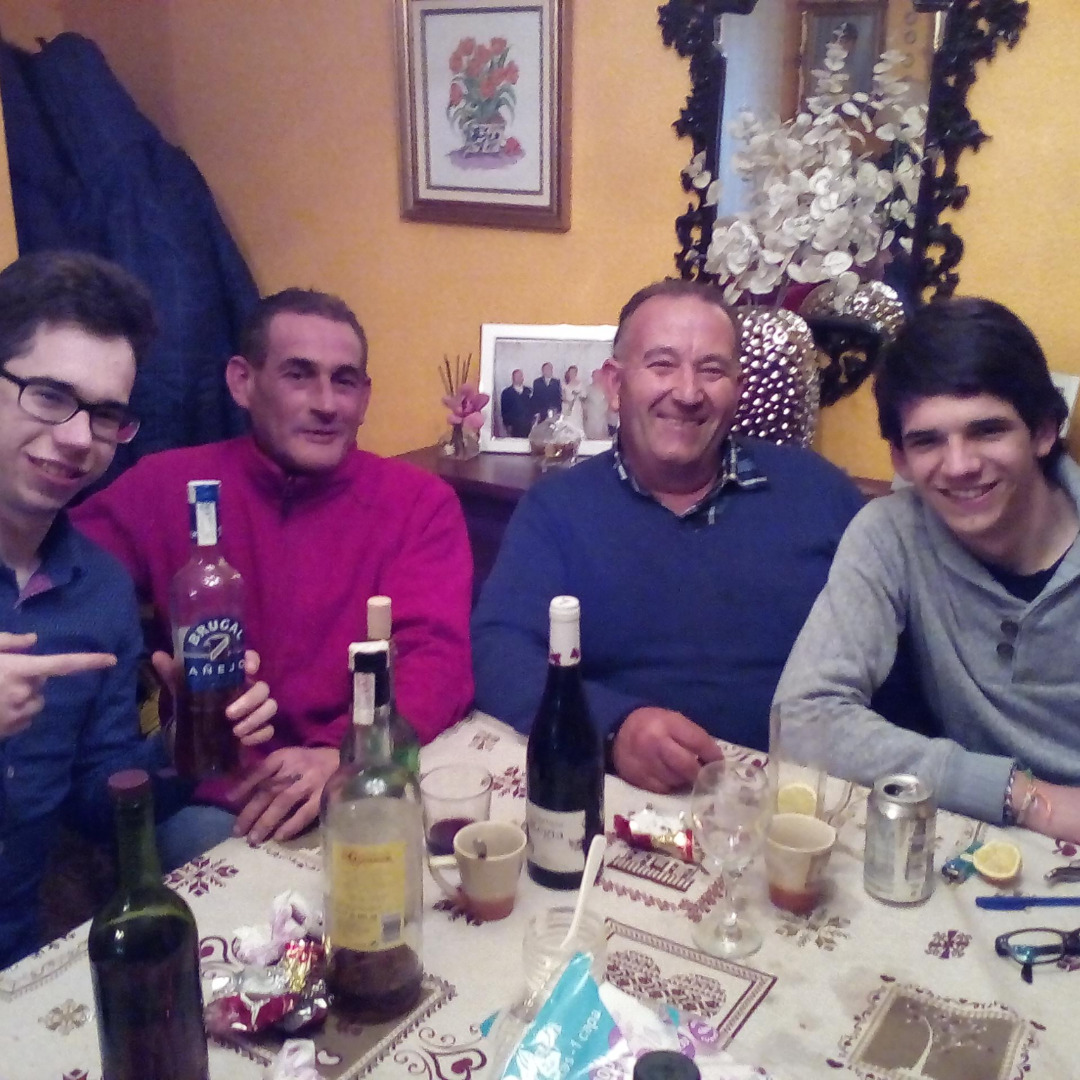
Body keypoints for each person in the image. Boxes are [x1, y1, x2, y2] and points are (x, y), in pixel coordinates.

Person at [73, 287, 474, 857]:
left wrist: (345, 753)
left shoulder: (418, 503)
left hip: (363, 765)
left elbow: (437, 659)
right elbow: (55, 571)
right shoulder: (167, 486)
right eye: (298, 375)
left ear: (364, 397)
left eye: (344, 381)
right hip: (220, 793)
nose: (326, 404)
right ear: (243, 382)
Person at [472, 279, 866, 793]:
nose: (687, 393)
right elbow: (497, 651)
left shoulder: (820, 493)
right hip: (629, 796)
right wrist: (612, 727)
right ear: (614, 384)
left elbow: (892, 660)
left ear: (738, 388)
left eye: (712, 370)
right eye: (662, 365)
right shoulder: (555, 511)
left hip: (798, 795)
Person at [0, 250, 272, 969]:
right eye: (49, 396)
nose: (76, 438)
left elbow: (100, 804)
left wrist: (183, 739)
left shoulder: (100, 588)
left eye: (105, 414)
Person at [775, 297, 1080, 842]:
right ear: (900, 459)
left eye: (987, 431)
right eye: (927, 441)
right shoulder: (891, 533)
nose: (959, 465)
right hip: (981, 834)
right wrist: (1023, 797)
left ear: (1042, 431)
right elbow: (803, 721)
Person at [500, 368, 533, 437]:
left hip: (528, 426)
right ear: (512, 378)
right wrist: (507, 425)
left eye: (520, 376)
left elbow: (533, 408)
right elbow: (504, 411)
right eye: (516, 376)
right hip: (513, 427)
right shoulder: (506, 393)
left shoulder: (529, 391)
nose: (519, 378)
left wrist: (533, 422)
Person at [561, 364, 586, 431]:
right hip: (567, 406)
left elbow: (583, 397)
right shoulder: (564, 383)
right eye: (571, 372)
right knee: (567, 422)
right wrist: (568, 402)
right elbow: (563, 396)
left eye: (574, 372)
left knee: (577, 422)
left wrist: (578, 396)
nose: (572, 374)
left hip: (577, 406)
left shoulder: (580, 383)